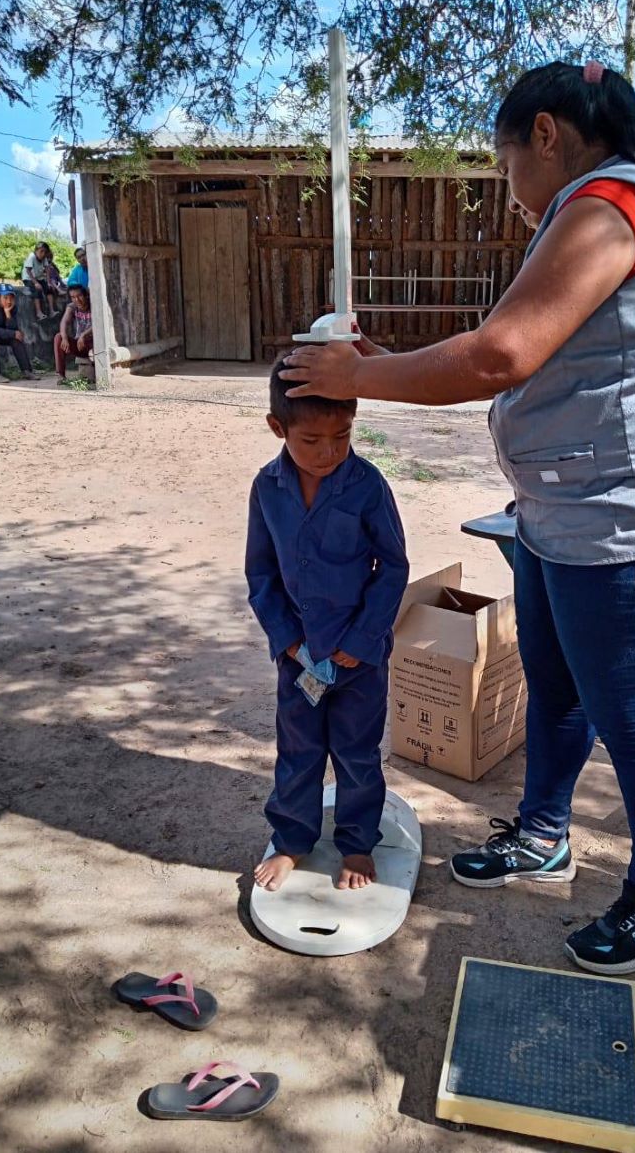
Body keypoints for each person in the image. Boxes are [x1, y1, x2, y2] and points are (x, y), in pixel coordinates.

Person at [281, 60, 635, 974]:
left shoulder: (616, 203)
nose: (509, 192)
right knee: (557, 691)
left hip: (626, 530)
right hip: (563, 516)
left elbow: (502, 354)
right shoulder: (613, 206)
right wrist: (384, 360)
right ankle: (542, 834)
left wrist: (361, 375)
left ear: (545, 133)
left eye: (503, 167)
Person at [246, 362, 409, 893]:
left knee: (357, 753)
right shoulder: (267, 489)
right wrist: (287, 639)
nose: (329, 452)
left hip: (359, 659)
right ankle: (292, 840)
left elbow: (393, 567)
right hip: (298, 658)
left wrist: (362, 640)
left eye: (342, 435)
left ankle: (357, 843)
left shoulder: (367, 486)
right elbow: (260, 573)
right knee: (298, 751)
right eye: (311, 440)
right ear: (278, 428)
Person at [0, 283, 36, 383]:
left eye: (11, 298)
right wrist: (12, 333)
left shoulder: (12, 307)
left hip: (0, 333)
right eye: (5, 298)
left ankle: (27, 371)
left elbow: (14, 329)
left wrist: (8, 314)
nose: (9, 301)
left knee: (16, 338)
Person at [54, 285, 93, 382]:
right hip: (80, 345)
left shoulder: (93, 305)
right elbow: (64, 322)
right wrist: (64, 338)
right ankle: (60, 375)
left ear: (86, 295)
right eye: (73, 297)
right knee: (58, 337)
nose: (77, 300)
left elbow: (98, 323)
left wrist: (83, 335)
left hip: (95, 345)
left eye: (79, 296)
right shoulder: (72, 307)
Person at [21, 241, 56, 320]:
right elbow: (28, 270)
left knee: (49, 288)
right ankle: (38, 312)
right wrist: (36, 283)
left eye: (45, 252)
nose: (43, 254)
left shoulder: (44, 258)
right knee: (37, 290)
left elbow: (47, 269)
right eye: (41, 251)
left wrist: (48, 282)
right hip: (28, 278)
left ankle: (51, 311)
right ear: (36, 250)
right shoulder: (32, 257)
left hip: (38, 277)